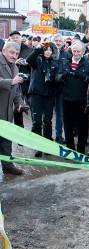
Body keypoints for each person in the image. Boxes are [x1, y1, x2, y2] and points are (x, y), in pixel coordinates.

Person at [56, 42, 89, 154]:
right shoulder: (64, 62)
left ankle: (81, 150)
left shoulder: (88, 64)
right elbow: (57, 77)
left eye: (78, 51)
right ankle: (70, 150)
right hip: (67, 99)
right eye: (74, 51)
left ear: (83, 52)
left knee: (82, 126)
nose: (76, 53)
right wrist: (62, 76)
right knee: (68, 125)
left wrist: (84, 78)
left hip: (81, 99)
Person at [27, 41, 59, 157]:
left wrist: (58, 78)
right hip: (36, 93)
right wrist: (37, 49)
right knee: (37, 121)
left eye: (50, 50)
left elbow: (58, 78)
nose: (48, 52)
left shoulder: (55, 63)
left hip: (49, 94)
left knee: (47, 121)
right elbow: (29, 60)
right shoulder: (37, 60)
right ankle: (37, 145)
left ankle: (48, 144)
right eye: (46, 50)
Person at [0, 41, 25, 175]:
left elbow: (17, 90)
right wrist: (11, 81)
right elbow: (12, 83)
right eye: (12, 52)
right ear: (4, 51)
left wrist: (19, 103)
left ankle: (7, 166)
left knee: (6, 141)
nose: (14, 56)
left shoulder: (15, 68)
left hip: (7, 112)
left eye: (16, 54)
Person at [52, 33, 73, 144]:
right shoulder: (47, 53)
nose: (58, 43)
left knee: (60, 113)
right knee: (47, 114)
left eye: (60, 41)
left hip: (62, 88)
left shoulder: (67, 55)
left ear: (63, 42)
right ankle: (46, 135)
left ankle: (59, 135)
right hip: (49, 87)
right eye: (56, 40)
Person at [10, 30, 32, 129]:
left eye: (17, 37)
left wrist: (26, 63)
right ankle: (19, 129)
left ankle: (34, 130)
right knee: (17, 107)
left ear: (21, 39)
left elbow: (33, 67)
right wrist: (15, 63)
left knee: (30, 107)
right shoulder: (6, 50)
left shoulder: (28, 50)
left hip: (26, 83)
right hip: (13, 82)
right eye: (13, 37)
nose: (15, 39)